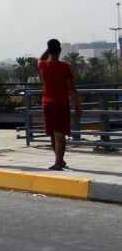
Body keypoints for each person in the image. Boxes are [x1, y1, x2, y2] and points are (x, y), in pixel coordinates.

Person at [38, 39, 83, 170]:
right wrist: (78, 105)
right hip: (61, 104)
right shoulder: (64, 67)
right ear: (60, 50)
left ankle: (60, 160)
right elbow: (71, 88)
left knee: (52, 134)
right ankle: (58, 162)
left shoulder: (42, 65)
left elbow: (41, 58)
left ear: (49, 50)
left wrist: (49, 48)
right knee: (60, 134)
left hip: (47, 104)